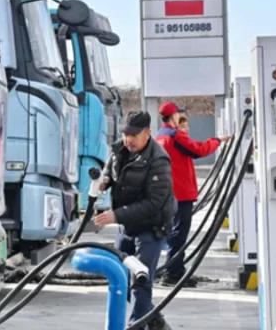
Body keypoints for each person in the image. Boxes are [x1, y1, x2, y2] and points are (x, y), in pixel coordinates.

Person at [94, 111, 175, 330]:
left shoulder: (159, 160)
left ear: (147, 133)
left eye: (134, 135)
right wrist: (105, 179)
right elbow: (110, 167)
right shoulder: (120, 149)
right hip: (127, 227)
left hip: (151, 227)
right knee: (121, 278)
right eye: (126, 134)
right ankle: (154, 320)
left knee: (140, 282)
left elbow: (154, 203)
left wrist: (116, 215)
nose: (128, 139)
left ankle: (136, 326)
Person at [154, 102, 228, 287]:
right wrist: (217, 141)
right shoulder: (175, 136)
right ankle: (173, 273)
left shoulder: (159, 136)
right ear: (174, 116)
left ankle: (175, 269)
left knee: (174, 232)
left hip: (168, 192)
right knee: (179, 234)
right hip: (181, 193)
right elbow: (199, 149)